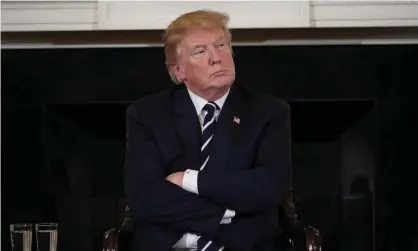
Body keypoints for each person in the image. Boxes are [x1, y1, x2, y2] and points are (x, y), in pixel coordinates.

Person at [124, 9, 291, 251]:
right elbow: (145, 197)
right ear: (178, 71)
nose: (217, 58)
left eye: (221, 46)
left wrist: (189, 180)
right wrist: (228, 212)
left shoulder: (269, 111)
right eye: (201, 51)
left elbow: (268, 187)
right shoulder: (147, 114)